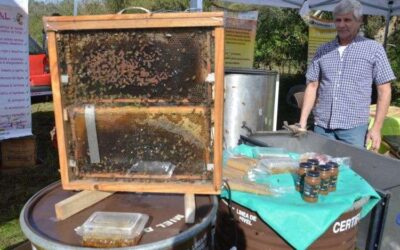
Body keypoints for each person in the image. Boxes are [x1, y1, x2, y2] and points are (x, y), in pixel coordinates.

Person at [298, 0, 396, 150]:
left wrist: (376, 128)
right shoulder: (323, 50)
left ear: (359, 21)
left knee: (352, 170)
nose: (342, 24)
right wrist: (303, 122)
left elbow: (385, 90)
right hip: (322, 127)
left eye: (347, 20)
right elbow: (312, 86)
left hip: (353, 130)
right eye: (338, 20)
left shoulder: (373, 49)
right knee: (320, 168)